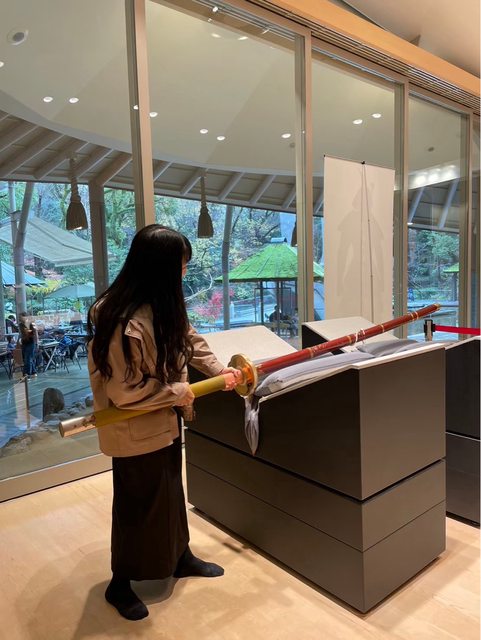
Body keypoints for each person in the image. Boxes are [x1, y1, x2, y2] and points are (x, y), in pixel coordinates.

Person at [87, 225, 241, 621]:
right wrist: (178, 392)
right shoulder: (119, 318)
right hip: (134, 426)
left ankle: (180, 556)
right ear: (159, 267)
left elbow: (191, 340)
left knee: (171, 491)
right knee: (138, 503)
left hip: (166, 419)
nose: (184, 272)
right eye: (181, 265)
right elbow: (124, 392)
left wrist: (221, 371)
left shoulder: (163, 303)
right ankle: (120, 582)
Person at [18, 312, 37, 378]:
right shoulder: (20, 324)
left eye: (21, 317)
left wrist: (36, 342)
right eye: (19, 317)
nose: (20, 318)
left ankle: (26, 375)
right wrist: (21, 339)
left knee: (28, 359)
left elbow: (34, 333)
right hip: (24, 343)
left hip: (30, 342)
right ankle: (34, 372)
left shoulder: (31, 323)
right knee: (27, 358)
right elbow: (22, 333)